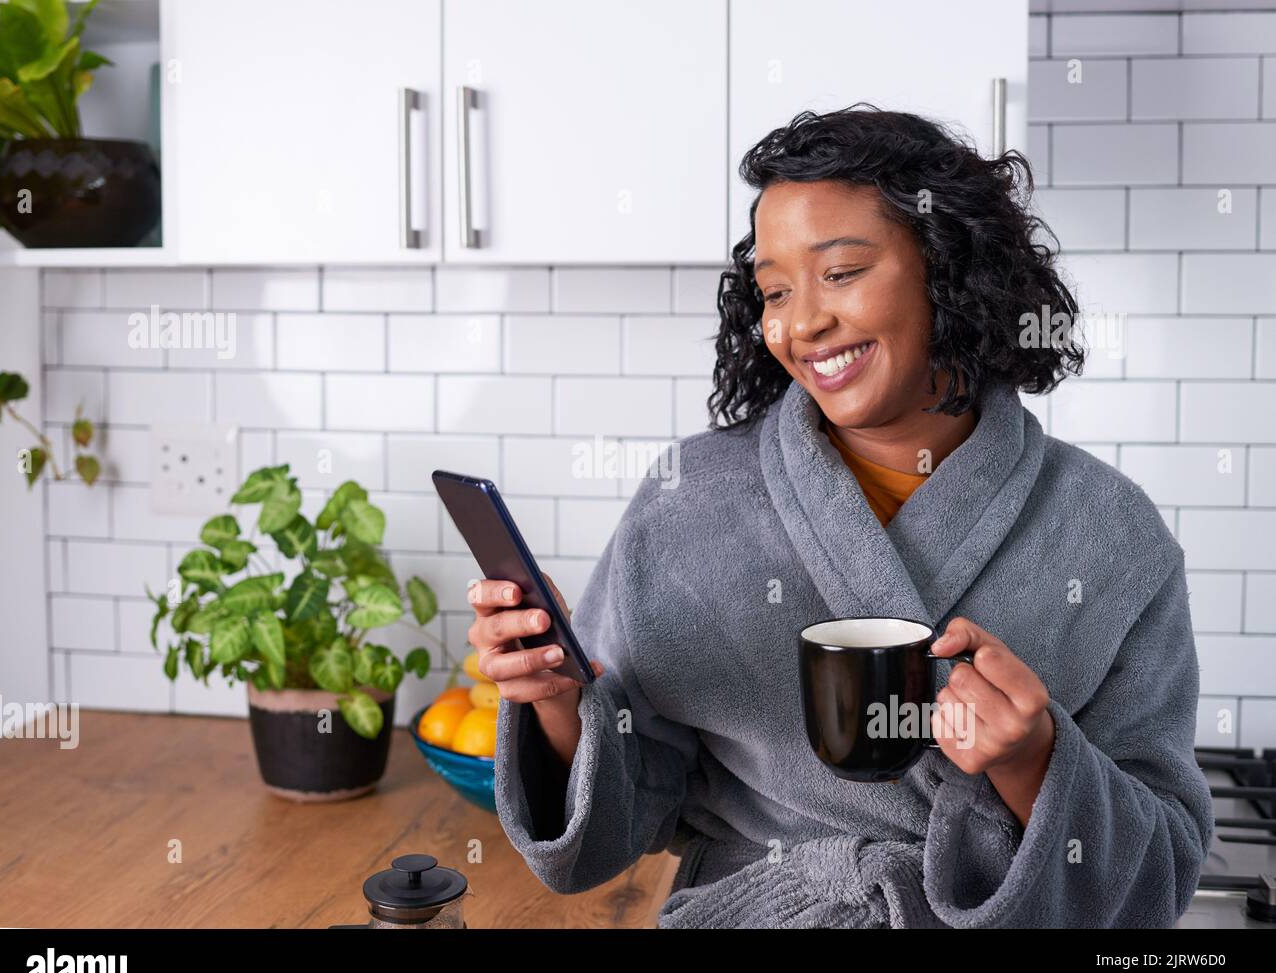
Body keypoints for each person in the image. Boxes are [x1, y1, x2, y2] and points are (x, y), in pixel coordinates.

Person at [468, 105, 1215, 928]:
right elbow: (618, 819)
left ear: (947, 268)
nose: (801, 322)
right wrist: (555, 702)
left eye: (842, 272)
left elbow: (1159, 874)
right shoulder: (691, 500)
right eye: (775, 290)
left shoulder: (1109, 532)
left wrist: (1034, 757)